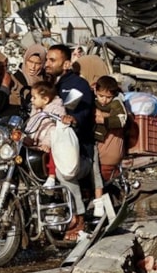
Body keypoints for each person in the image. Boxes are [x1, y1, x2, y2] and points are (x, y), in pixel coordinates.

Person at [45, 44, 95, 241]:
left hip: (77, 150)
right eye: (47, 59)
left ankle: (78, 217)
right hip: (52, 143)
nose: (47, 64)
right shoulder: (50, 85)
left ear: (66, 64)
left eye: (52, 60)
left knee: (62, 171)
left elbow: (82, 112)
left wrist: (73, 119)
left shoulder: (77, 85)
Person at [92, 75, 129, 218]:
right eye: (101, 96)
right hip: (96, 144)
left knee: (103, 176)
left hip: (108, 150)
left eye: (107, 97)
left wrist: (104, 119)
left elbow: (121, 120)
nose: (104, 100)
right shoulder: (93, 101)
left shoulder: (116, 104)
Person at [24, 81, 66, 188]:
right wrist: (27, 137)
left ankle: (51, 177)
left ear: (45, 99)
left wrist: (47, 143)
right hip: (37, 142)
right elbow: (31, 125)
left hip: (51, 143)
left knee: (54, 153)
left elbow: (53, 129)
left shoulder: (56, 109)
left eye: (34, 97)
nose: (31, 100)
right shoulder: (36, 109)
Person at [0, 44, 47, 116]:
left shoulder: (46, 81)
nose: (33, 67)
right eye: (30, 62)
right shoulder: (14, 79)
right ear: (25, 60)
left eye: (38, 63)